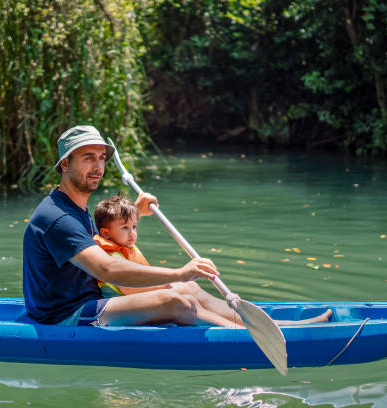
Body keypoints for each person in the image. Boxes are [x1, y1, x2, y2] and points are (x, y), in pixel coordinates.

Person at [23, 125, 330, 328]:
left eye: (102, 158)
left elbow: (103, 239)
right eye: (88, 158)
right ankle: (248, 338)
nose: (98, 167)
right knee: (175, 299)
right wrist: (179, 271)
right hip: (65, 317)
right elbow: (108, 271)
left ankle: (272, 327)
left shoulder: (73, 205)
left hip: (92, 301)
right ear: (65, 165)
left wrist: (137, 214)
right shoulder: (58, 218)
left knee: (189, 288)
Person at [92, 194, 332, 326]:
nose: (132, 233)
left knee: (191, 286)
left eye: (134, 226)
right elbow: (128, 288)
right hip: (123, 306)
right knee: (181, 294)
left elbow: (122, 219)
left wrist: (136, 206)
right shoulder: (109, 253)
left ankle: (271, 324)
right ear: (106, 234)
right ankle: (241, 333)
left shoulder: (120, 241)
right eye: (125, 228)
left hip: (141, 297)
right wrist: (169, 283)